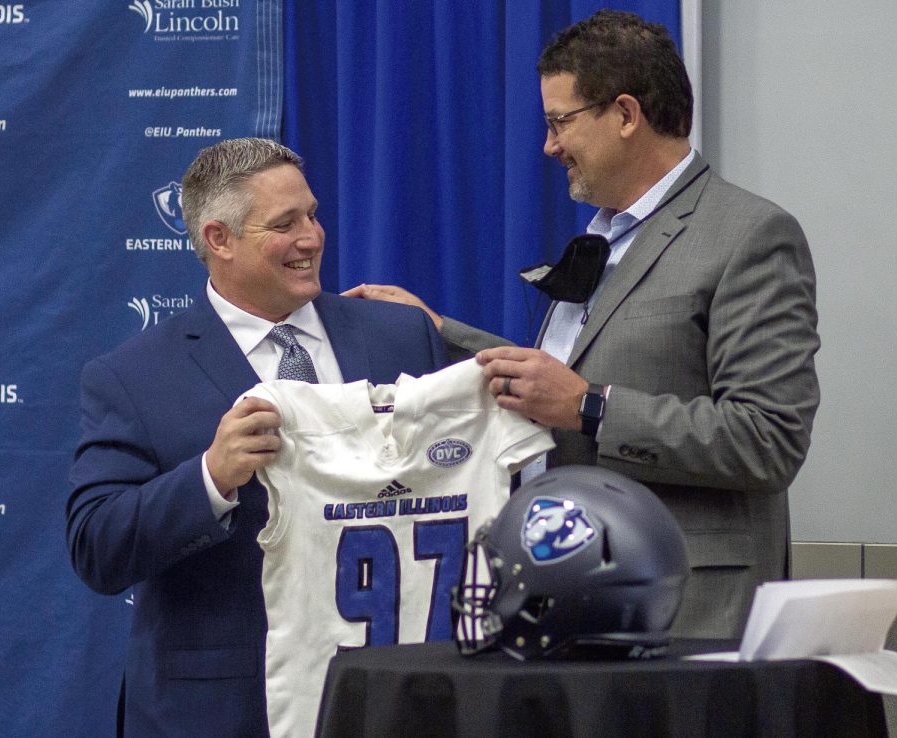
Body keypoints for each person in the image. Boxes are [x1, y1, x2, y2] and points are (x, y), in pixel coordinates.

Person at [344, 9, 821, 639]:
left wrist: (593, 408)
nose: (548, 146)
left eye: (558, 122)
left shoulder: (749, 236)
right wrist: (437, 330)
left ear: (625, 115)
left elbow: (768, 439)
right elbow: (563, 384)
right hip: (570, 598)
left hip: (684, 608)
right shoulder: (604, 238)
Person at [66, 138, 447, 737]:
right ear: (219, 239)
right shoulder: (132, 376)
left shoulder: (403, 337)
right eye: (284, 224)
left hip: (391, 694)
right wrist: (210, 478)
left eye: (313, 215)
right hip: (225, 710)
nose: (312, 238)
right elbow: (97, 547)